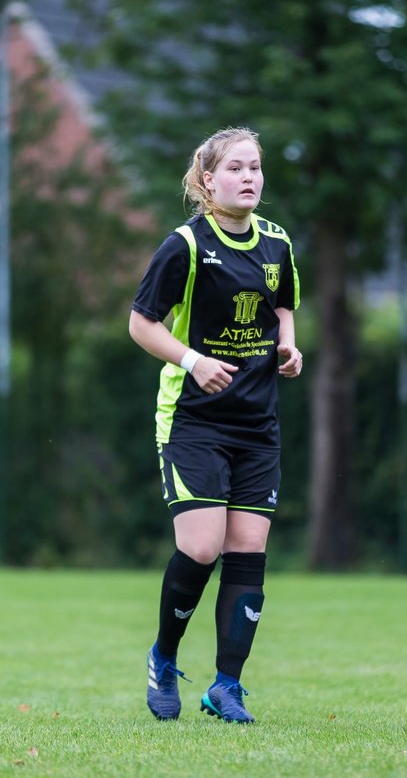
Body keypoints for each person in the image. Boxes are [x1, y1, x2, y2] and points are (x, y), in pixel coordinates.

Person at [129, 127, 302, 724]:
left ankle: (226, 685)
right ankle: (164, 655)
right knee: (201, 547)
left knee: (248, 549)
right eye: (234, 168)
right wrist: (193, 360)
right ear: (206, 180)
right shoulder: (184, 246)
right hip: (193, 421)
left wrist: (288, 345)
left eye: (255, 167)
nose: (249, 177)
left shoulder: (276, 242)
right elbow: (141, 323)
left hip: (257, 423)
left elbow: (282, 305)